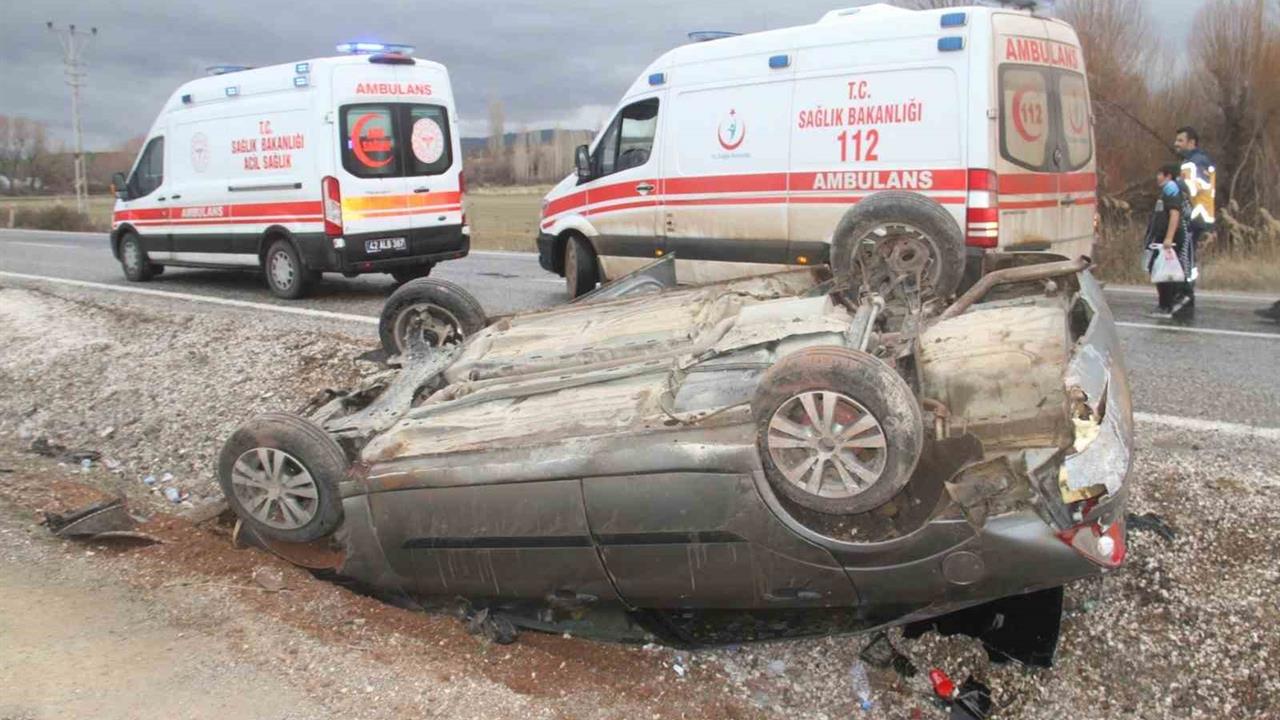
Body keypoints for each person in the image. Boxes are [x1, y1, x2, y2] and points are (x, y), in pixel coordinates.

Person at [1172, 126, 1215, 313]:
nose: (1176, 144)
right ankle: (1184, 293)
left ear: (1192, 142)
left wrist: (1175, 182)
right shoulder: (1190, 161)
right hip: (1193, 215)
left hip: (1197, 215)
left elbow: (1198, 185)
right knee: (1185, 254)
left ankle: (1186, 294)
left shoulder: (1197, 161)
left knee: (1186, 255)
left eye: (1180, 140)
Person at [1144, 164, 1194, 318]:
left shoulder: (1171, 189)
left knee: (1164, 272)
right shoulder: (1167, 190)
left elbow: (1174, 214)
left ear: (1168, 176)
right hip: (1163, 238)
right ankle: (1169, 302)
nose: (1157, 177)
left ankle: (1168, 304)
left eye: (1160, 174)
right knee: (1161, 270)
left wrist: (1169, 238)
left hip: (1169, 239)